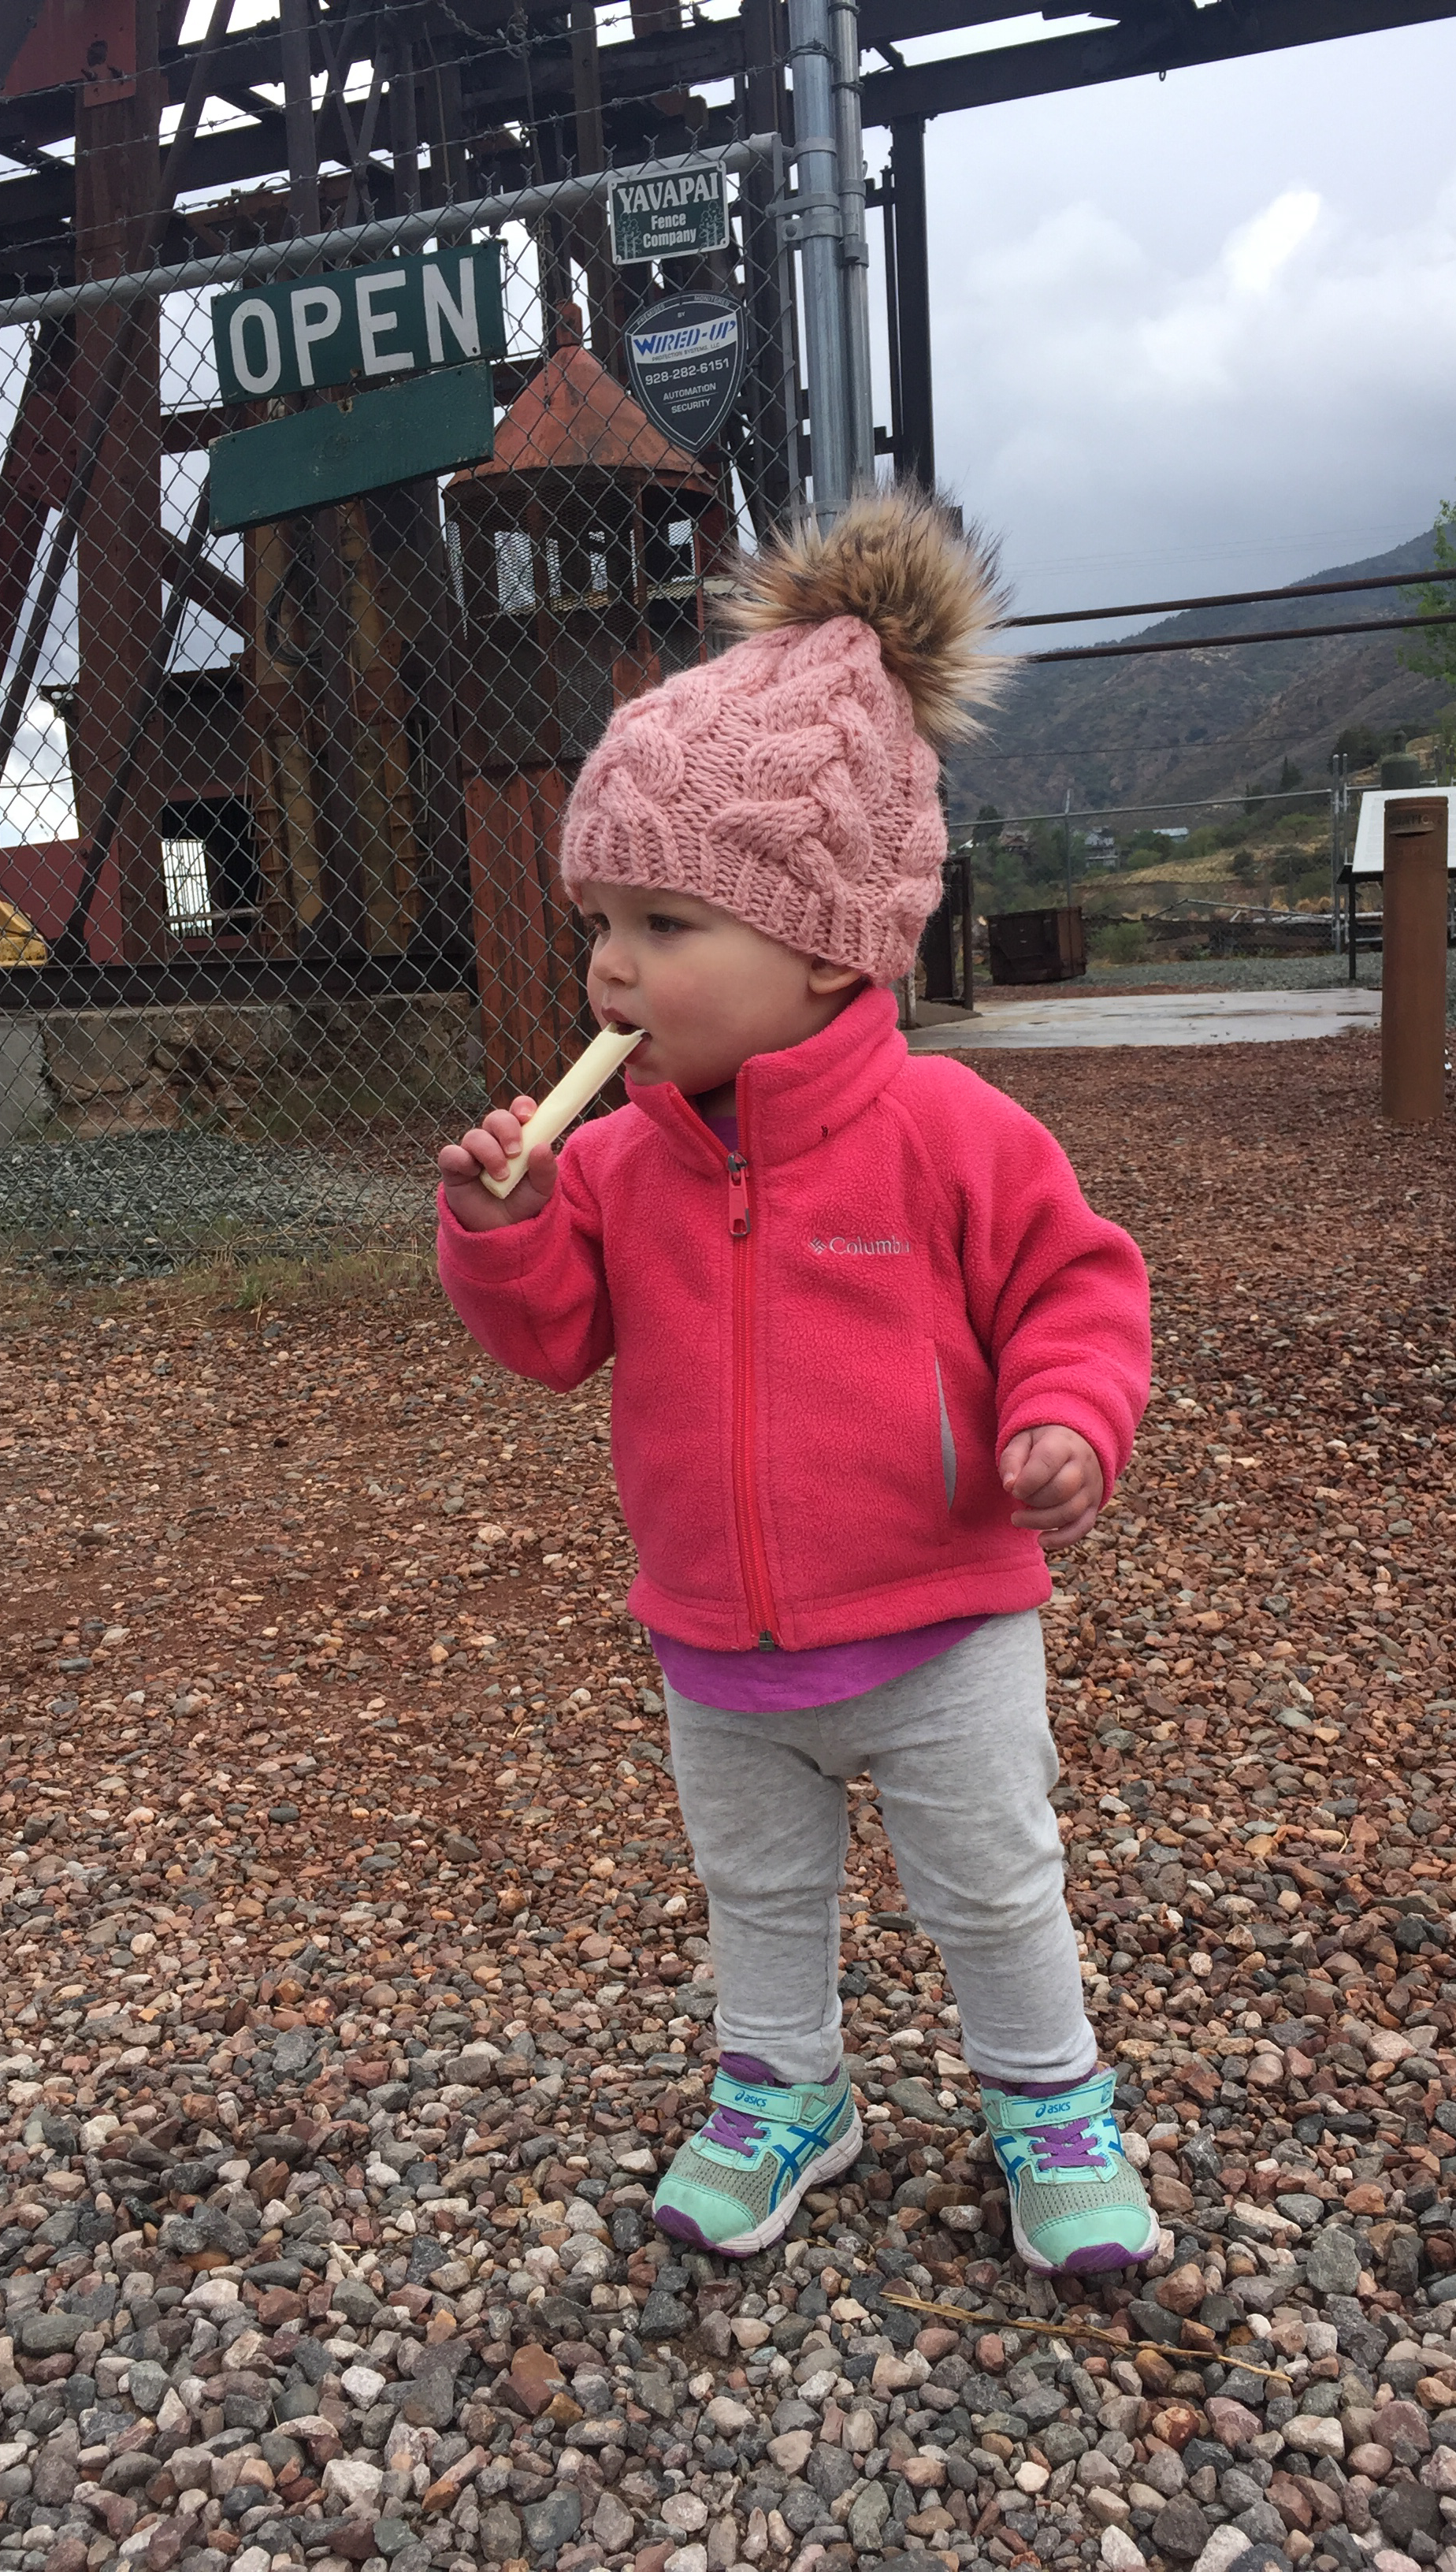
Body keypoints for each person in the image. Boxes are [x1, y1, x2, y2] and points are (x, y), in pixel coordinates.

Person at [435, 487, 1157, 2276]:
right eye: (601, 916)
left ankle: (1049, 2104)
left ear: (830, 943)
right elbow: (549, 1342)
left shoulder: (948, 1132)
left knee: (995, 1886)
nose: (612, 965)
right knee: (758, 1891)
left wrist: (1065, 1420)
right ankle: (783, 2089)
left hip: (941, 1623)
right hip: (716, 1634)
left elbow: (1076, 1288)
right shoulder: (621, 1157)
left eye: (668, 923)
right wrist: (504, 1226)